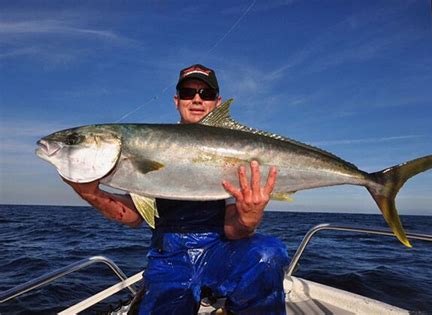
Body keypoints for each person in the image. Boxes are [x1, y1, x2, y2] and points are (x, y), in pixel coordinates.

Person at [63, 64, 289, 314]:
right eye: (187, 92)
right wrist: (88, 191)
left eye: (206, 94)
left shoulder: (230, 152)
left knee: (268, 253)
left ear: (217, 102)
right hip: (169, 257)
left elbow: (233, 230)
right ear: (176, 100)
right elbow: (133, 217)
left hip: (221, 250)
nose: (196, 99)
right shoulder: (151, 144)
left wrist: (250, 216)